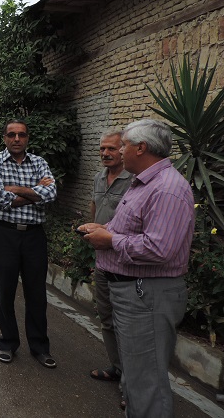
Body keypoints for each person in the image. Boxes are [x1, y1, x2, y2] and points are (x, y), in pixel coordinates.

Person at [80, 119, 194, 417]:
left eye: (123, 146)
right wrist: (104, 228)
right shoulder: (143, 182)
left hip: (147, 295)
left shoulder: (166, 189)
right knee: (136, 378)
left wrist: (110, 240)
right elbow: (132, 227)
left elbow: (160, 249)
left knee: (146, 384)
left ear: (141, 148)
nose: (119, 151)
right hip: (133, 292)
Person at [0, 119, 57, 368]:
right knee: (5, 291)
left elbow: (51, 194)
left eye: (22, 135)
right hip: (5, 233)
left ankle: (40, 347)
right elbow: (0, 198)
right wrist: (35, 191)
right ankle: (8, 343)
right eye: (12, 134)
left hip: (34, 235)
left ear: (27, 138)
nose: (17, 139)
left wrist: (15, 188)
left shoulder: (40, 162)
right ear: (4, 138)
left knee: (37, 293)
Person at [87, 131, 134, 407]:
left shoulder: (134, 181)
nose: (105, 153)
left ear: (123, 150)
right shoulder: (98, 177)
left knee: (127, 326)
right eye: (102, 149)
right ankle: (117, 368)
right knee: (106, 318)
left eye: (112, 149)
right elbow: (95, 208)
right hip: (102, 260)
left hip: (125, 262)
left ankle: (132, 386)